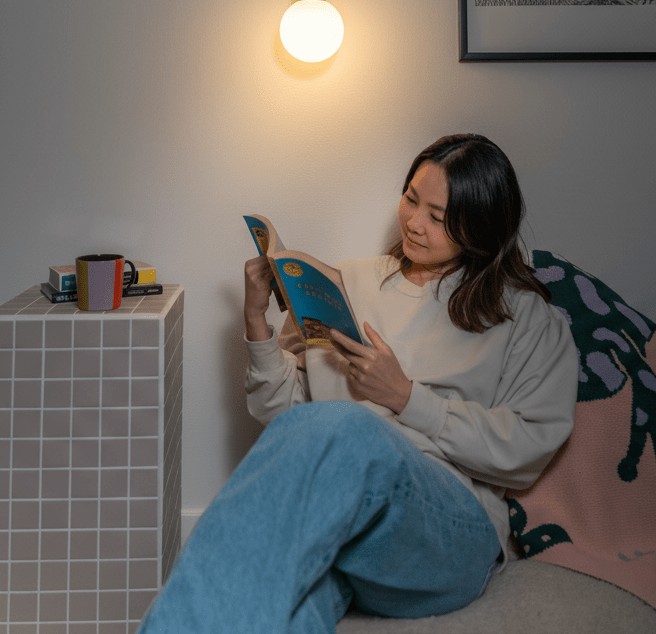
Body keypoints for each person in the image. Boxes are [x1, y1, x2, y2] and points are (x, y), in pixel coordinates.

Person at [138, 133, 579, 633]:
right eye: (411, 198)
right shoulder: (345, 282)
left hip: (451, 530)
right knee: (282, 605)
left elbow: (526, 451)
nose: (414, 223)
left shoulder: (524, 316)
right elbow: (284, 421)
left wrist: (406, 399)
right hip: (348, 526)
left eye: (438, 217)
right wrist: (257, 321)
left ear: (479, 228)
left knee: (346, 428)